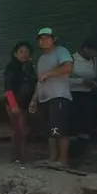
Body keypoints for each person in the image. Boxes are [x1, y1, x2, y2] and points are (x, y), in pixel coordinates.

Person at [29, 27, 74, 167]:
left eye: (47, 38)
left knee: (60, 130)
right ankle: (53, 159)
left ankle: (63, 160)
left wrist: (49, 74)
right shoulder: (42, 59)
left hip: (59, 97)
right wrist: (34, 99)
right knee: (50, 131)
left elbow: (68, 68)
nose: (44, 41)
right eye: (41, 39)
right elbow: (39, 80)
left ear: (54, 39)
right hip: (45, 99)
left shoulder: (61, 51)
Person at [3, 41, 37, 162]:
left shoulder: (29, 67)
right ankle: (18, 157)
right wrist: (13, 105)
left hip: (26, 104)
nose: (24, 54)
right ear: (15, 54)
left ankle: (18, 157)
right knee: (20, 130)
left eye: (27, 51)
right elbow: (8, 88)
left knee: (21, 130)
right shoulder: (11, 67)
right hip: (15, 104)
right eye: (21, 51)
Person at [69, 38, 97, 157]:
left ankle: (82, 153)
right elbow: (64, 81)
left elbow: (94, 76)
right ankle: (71, 154)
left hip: (88, 95)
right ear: (86, 49)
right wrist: (82, 81)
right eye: (94, 52)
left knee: (86, 125)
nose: (95, 55)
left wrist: (95, 84)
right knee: (74, 125)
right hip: (73, 96)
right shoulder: (71, 60)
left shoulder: (93, 60)